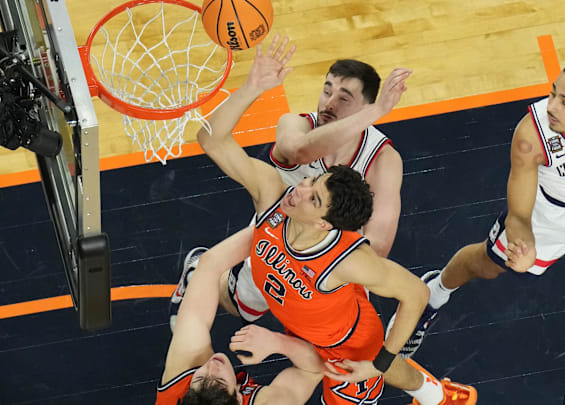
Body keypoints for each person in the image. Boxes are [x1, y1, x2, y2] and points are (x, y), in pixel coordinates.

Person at [191, 60, 477, 403]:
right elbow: (210, 139)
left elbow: (415, 293)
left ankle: (436, 396)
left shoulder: (348, 260)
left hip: (341, 343)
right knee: (234, 301)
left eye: (312, 196)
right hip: (289, 305)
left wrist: (379, 362)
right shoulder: (274, 195)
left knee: (382, 366)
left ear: (326, 223)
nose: (298, 189)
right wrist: (252, 87)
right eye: (311, 181)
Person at [390, 61, 565, 405]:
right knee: (487, 262)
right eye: (553, 93)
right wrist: (522, 238)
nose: (551, 105)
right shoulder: (532, 135)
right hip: (550, 212)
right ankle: (432, 294)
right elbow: (519, 213)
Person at [181, 35, 404, 325]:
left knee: (331, 345)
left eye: (343, 97)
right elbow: (299, 150)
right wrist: (252, 87)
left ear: (365, 109)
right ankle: (196, 270)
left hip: (327, 259)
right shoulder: (295, 125)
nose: (329, 103)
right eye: (326, 91)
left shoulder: (383, 159)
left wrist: (318, 263)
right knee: (241, 306)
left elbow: (378, 246)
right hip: (275, 233)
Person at [157, 245, 326, 405]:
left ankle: (191, 283)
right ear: (239, 399)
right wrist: (278, 342)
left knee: (205, 300)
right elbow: (314, 370)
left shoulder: (181, 381)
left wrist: (267, 235)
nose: (211, 367)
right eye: (220, 380)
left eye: (200, 378)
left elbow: (209, 264)